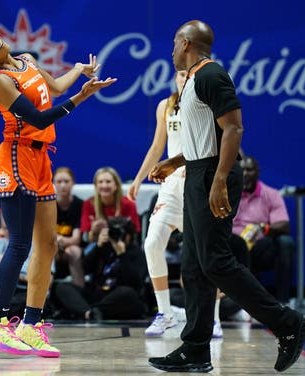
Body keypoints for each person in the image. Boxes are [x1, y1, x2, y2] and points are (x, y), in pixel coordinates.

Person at [147, 20, 305, 373]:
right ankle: (195, 349)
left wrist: (219, 179)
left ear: (187, 43)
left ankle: (287, 322)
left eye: (174, 42)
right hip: (196, 172)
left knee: (216, 261)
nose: (171, 49)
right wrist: (173, 162)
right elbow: (204, 139)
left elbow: (234, 128)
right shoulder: (190, 82)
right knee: (194, 266)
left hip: (212, 175)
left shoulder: (210, 75)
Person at [0, 29, 117, 357]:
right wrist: (82, 97)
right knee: (19, 244)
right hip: (16, 157)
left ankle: (30, 325)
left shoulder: (26, 60)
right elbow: (39, 117)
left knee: (49, 244)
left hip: (41, 157)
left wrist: (77, 71)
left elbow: (55, 87)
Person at [129, 70, 186, 336]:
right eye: (180, 73)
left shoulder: (210, 104)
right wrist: (139, 179)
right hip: (171, 188)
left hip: (198, 188)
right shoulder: (166, 105)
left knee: (204, 258)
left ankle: (214, 318)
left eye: (189, 73)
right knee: (151, 244)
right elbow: (157, 147)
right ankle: (165, 312)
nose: (184, 78)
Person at [54, 216, 147, 320]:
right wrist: (97, 247)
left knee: (128, 293)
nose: (115, 236)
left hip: (118, 298)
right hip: (99, 294)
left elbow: (136, 282)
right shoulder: (104, 247)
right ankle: (89, 313)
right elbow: (85, 269)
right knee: (61, 287)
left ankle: (86, 311)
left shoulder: (137, 253)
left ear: (128, 236)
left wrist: (122, 255)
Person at [232, 156, 295, 304]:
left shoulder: (271, 194)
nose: (245, 174)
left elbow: (284, 225)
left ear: (257, 172)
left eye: (249, 170)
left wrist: (262, 227)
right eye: (242, 170)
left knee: (285, 242)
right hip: (232, 245)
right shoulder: (228, 192)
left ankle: (282, 302)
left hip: (258, 247)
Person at [80, 167, 141, 254]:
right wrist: (93, 232)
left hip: (123, 244)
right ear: (96, 186)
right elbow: (85, 238)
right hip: (98, 245)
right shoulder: (89, 204)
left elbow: (135, 234)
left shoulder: (129, 204)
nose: (104, 185)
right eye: (100, 182)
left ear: (116, 185)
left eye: (108, 182)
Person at [52, 167, 84, 287]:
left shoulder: (80, 205)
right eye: (59, 182)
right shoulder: (46, 205)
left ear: (73, 183)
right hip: (50, 246)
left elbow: (76, 239)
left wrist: (60, 240)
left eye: (66, 181)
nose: (63, 185)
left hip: (70, 247)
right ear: (54, 183)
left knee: (74, 251)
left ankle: (80, 291)